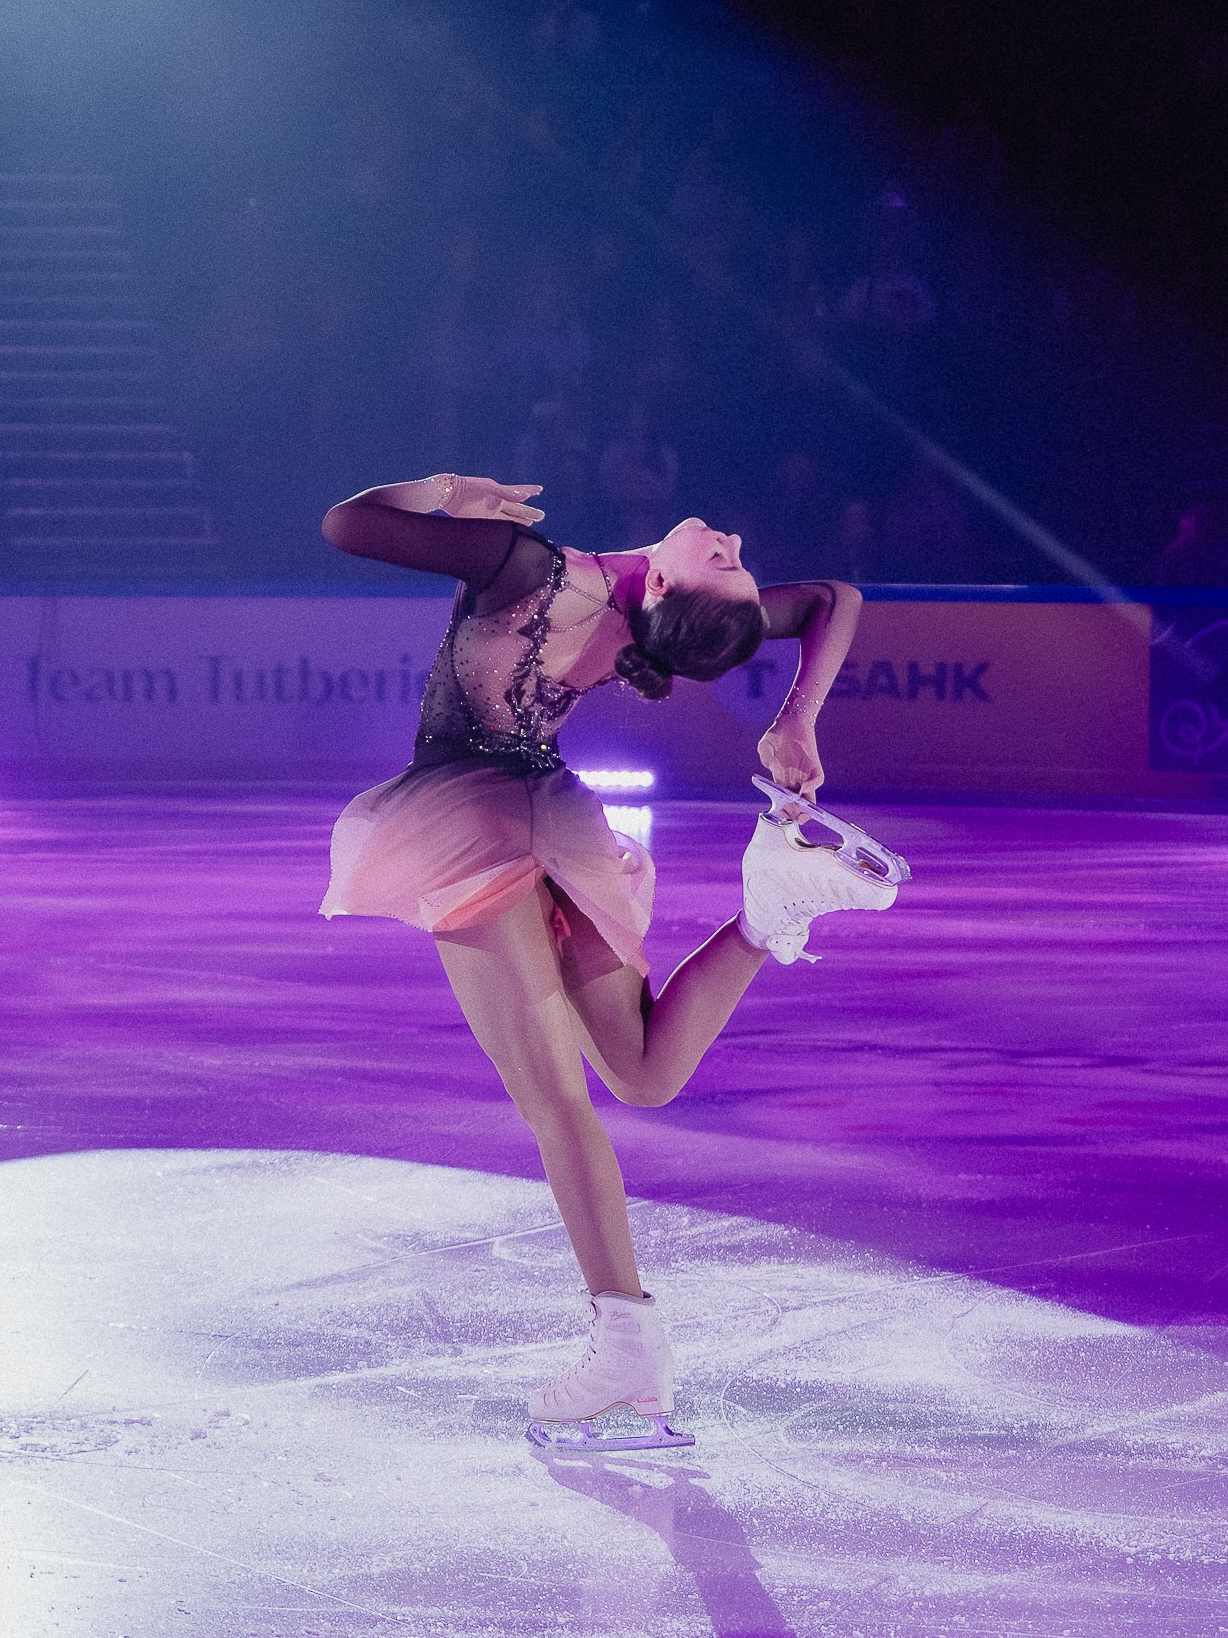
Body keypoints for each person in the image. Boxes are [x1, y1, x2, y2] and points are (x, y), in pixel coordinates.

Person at [320, 471, 908, 1453]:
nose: (726, 534)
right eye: (732, 556)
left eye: (724, 560)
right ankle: (766, 918)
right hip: (555, 815)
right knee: (642, 1072)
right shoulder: (643, 612)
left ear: (673, 592)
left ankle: (625, 1337)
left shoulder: (524, 566)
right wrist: (795, 718)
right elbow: (834, 602)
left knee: (553, 1099)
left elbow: (344, 524)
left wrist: (431, 492)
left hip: (467, 817)